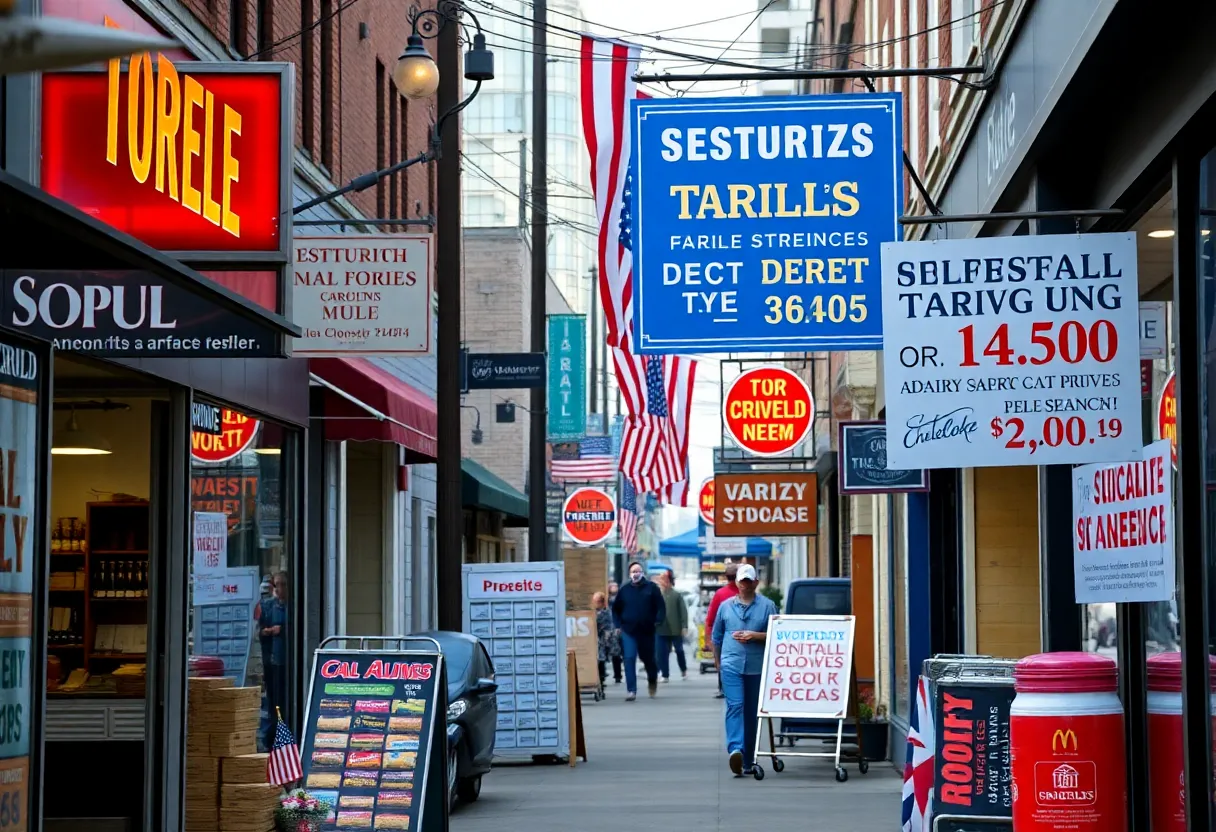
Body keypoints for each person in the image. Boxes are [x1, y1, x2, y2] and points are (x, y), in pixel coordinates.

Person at [711, 564, 776, 777]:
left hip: (756, 666)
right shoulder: (726, 606)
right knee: (735, 705)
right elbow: (717, 636)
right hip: (731, 663)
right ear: (736, 583)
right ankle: (735, 749)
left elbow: (777, 634)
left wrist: (755, 636)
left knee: (751, 713)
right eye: (742, 581)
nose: (745, 585)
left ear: (756, 582)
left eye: (749, 581)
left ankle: (747, 761)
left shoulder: (767, 606)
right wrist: (718, 662)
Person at [611, 562, 665, 701]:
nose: (636, 573)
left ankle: (652, 681)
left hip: (646, 631)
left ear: (642, 573)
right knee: (629, 658)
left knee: (648, 659)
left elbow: (661, 607)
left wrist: (658, 620)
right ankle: (631, 690)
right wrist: (618, 625)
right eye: (633, 571)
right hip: (628, 630)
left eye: (638, 571)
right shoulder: (624, 590)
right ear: (630, 574)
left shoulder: (652, 588)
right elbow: (616, 609)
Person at [258, 570, 289, 750]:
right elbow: (261, 630)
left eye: (283, 585)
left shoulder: (290, 608)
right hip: (273, 661)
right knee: (273, 700)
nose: (280, 589)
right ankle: (272, 737)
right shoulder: (269, 606)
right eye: (277, 585)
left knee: (282, 699)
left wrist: (282, 630)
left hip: (287, 662)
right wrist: (269, 632)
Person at [704, 562, 740, 699]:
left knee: (722, 661)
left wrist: (709, 637)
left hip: (724, 635)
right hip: (742, 633)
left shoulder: (720, 593)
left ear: (726, 576)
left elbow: (710, 618)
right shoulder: (743, 591)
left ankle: (723, 688)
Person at [655, 570, 689, 681]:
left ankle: (683, 670)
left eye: (663, 579)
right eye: (660, 579)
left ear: (669, 581)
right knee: (661, 653)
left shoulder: (676, 595)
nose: (660, 581)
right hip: (660, 629)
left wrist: (684, 626)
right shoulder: (656, 595)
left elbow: (683, 611)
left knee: (679, 650)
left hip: (675, 629)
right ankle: (665, 674)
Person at [592, 592, 620, 686]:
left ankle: (617, 676)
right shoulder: (601, 611)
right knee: (603, 656)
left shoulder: (604, 612)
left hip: (607, 636)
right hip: (604, 636)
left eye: (597, 601)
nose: (595, 603)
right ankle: (603, 676)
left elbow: (598, 623)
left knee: (611, 655)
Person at [605, 581, 623, 682]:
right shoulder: (607, 600)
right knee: (615, 653)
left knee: (622, 652)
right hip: (611, 629)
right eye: (612, 586)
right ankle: (617, 675)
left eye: (615, 586)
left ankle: (619, 674)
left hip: (621, 627)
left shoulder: (621, 599)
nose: (614, 587)